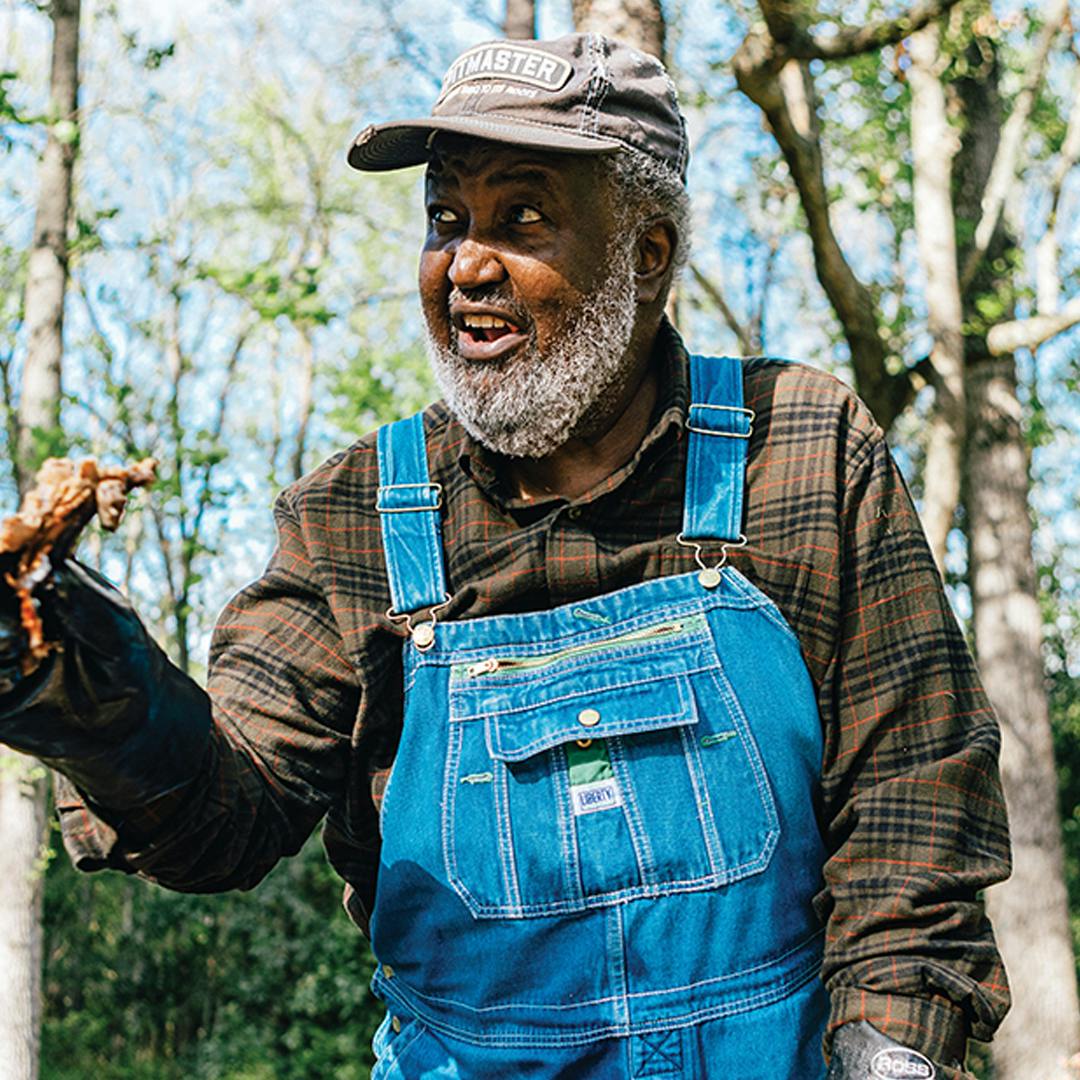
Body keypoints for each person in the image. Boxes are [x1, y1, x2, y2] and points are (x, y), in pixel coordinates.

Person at [0, 32, 1010, 1080]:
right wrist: (72, 685)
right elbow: (226, 813)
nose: (466, 264)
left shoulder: (798, 447)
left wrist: (892, 1052)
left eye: (521, 217)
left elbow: (913, 806)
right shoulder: (352, 518)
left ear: (647, 250)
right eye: (447, 220)